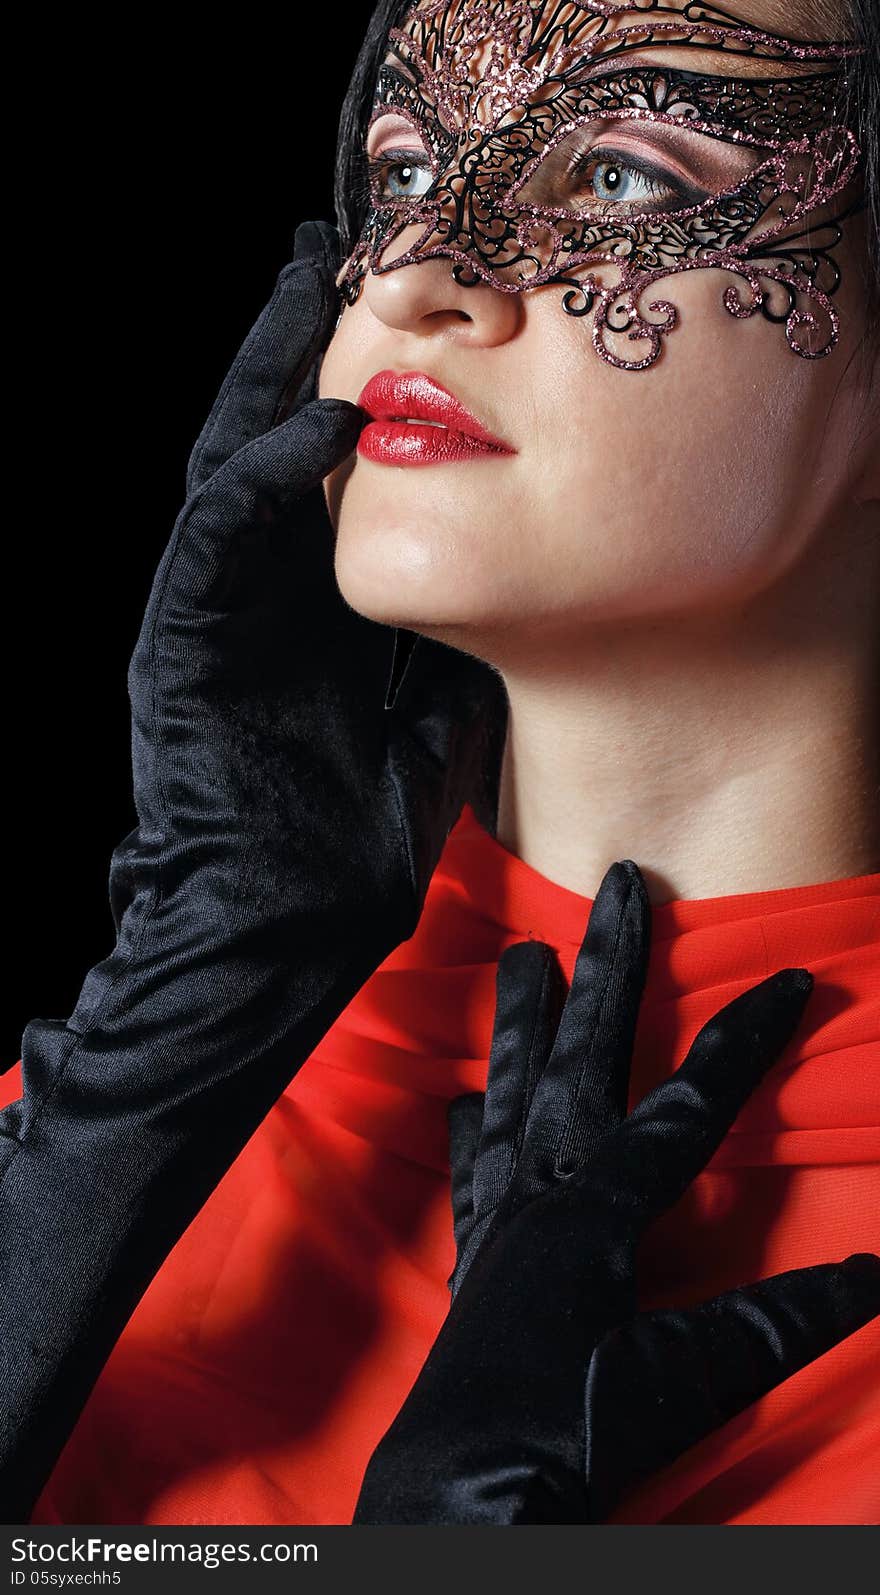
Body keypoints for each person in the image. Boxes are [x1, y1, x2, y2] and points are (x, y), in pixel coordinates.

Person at [2, 0, 878, 1526]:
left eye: (618, 178)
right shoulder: (171, 1063)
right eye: (408, 171)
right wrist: (190, 990)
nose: (418, 276)